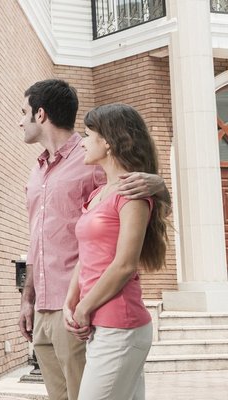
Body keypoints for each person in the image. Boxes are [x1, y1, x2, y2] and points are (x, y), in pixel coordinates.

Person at [16, 79, 168, 400]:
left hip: (90, 309)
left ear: (40, 114)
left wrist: (159, 185)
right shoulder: (37, 171)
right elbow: (37, 239)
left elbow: (131, 190)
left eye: (23, 112)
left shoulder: (93, 166)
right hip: (49, 304)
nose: (19, 121)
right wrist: (27, 297)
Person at [64, 103, 167, 400]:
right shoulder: (98, 194)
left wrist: (84, 307)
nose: (82, 142)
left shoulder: (132, 193)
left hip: (119, 325)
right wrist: (71, 301)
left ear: (107, 142)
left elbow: (125, 265)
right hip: (101, 323)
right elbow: (87, 254)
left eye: (87, 135)